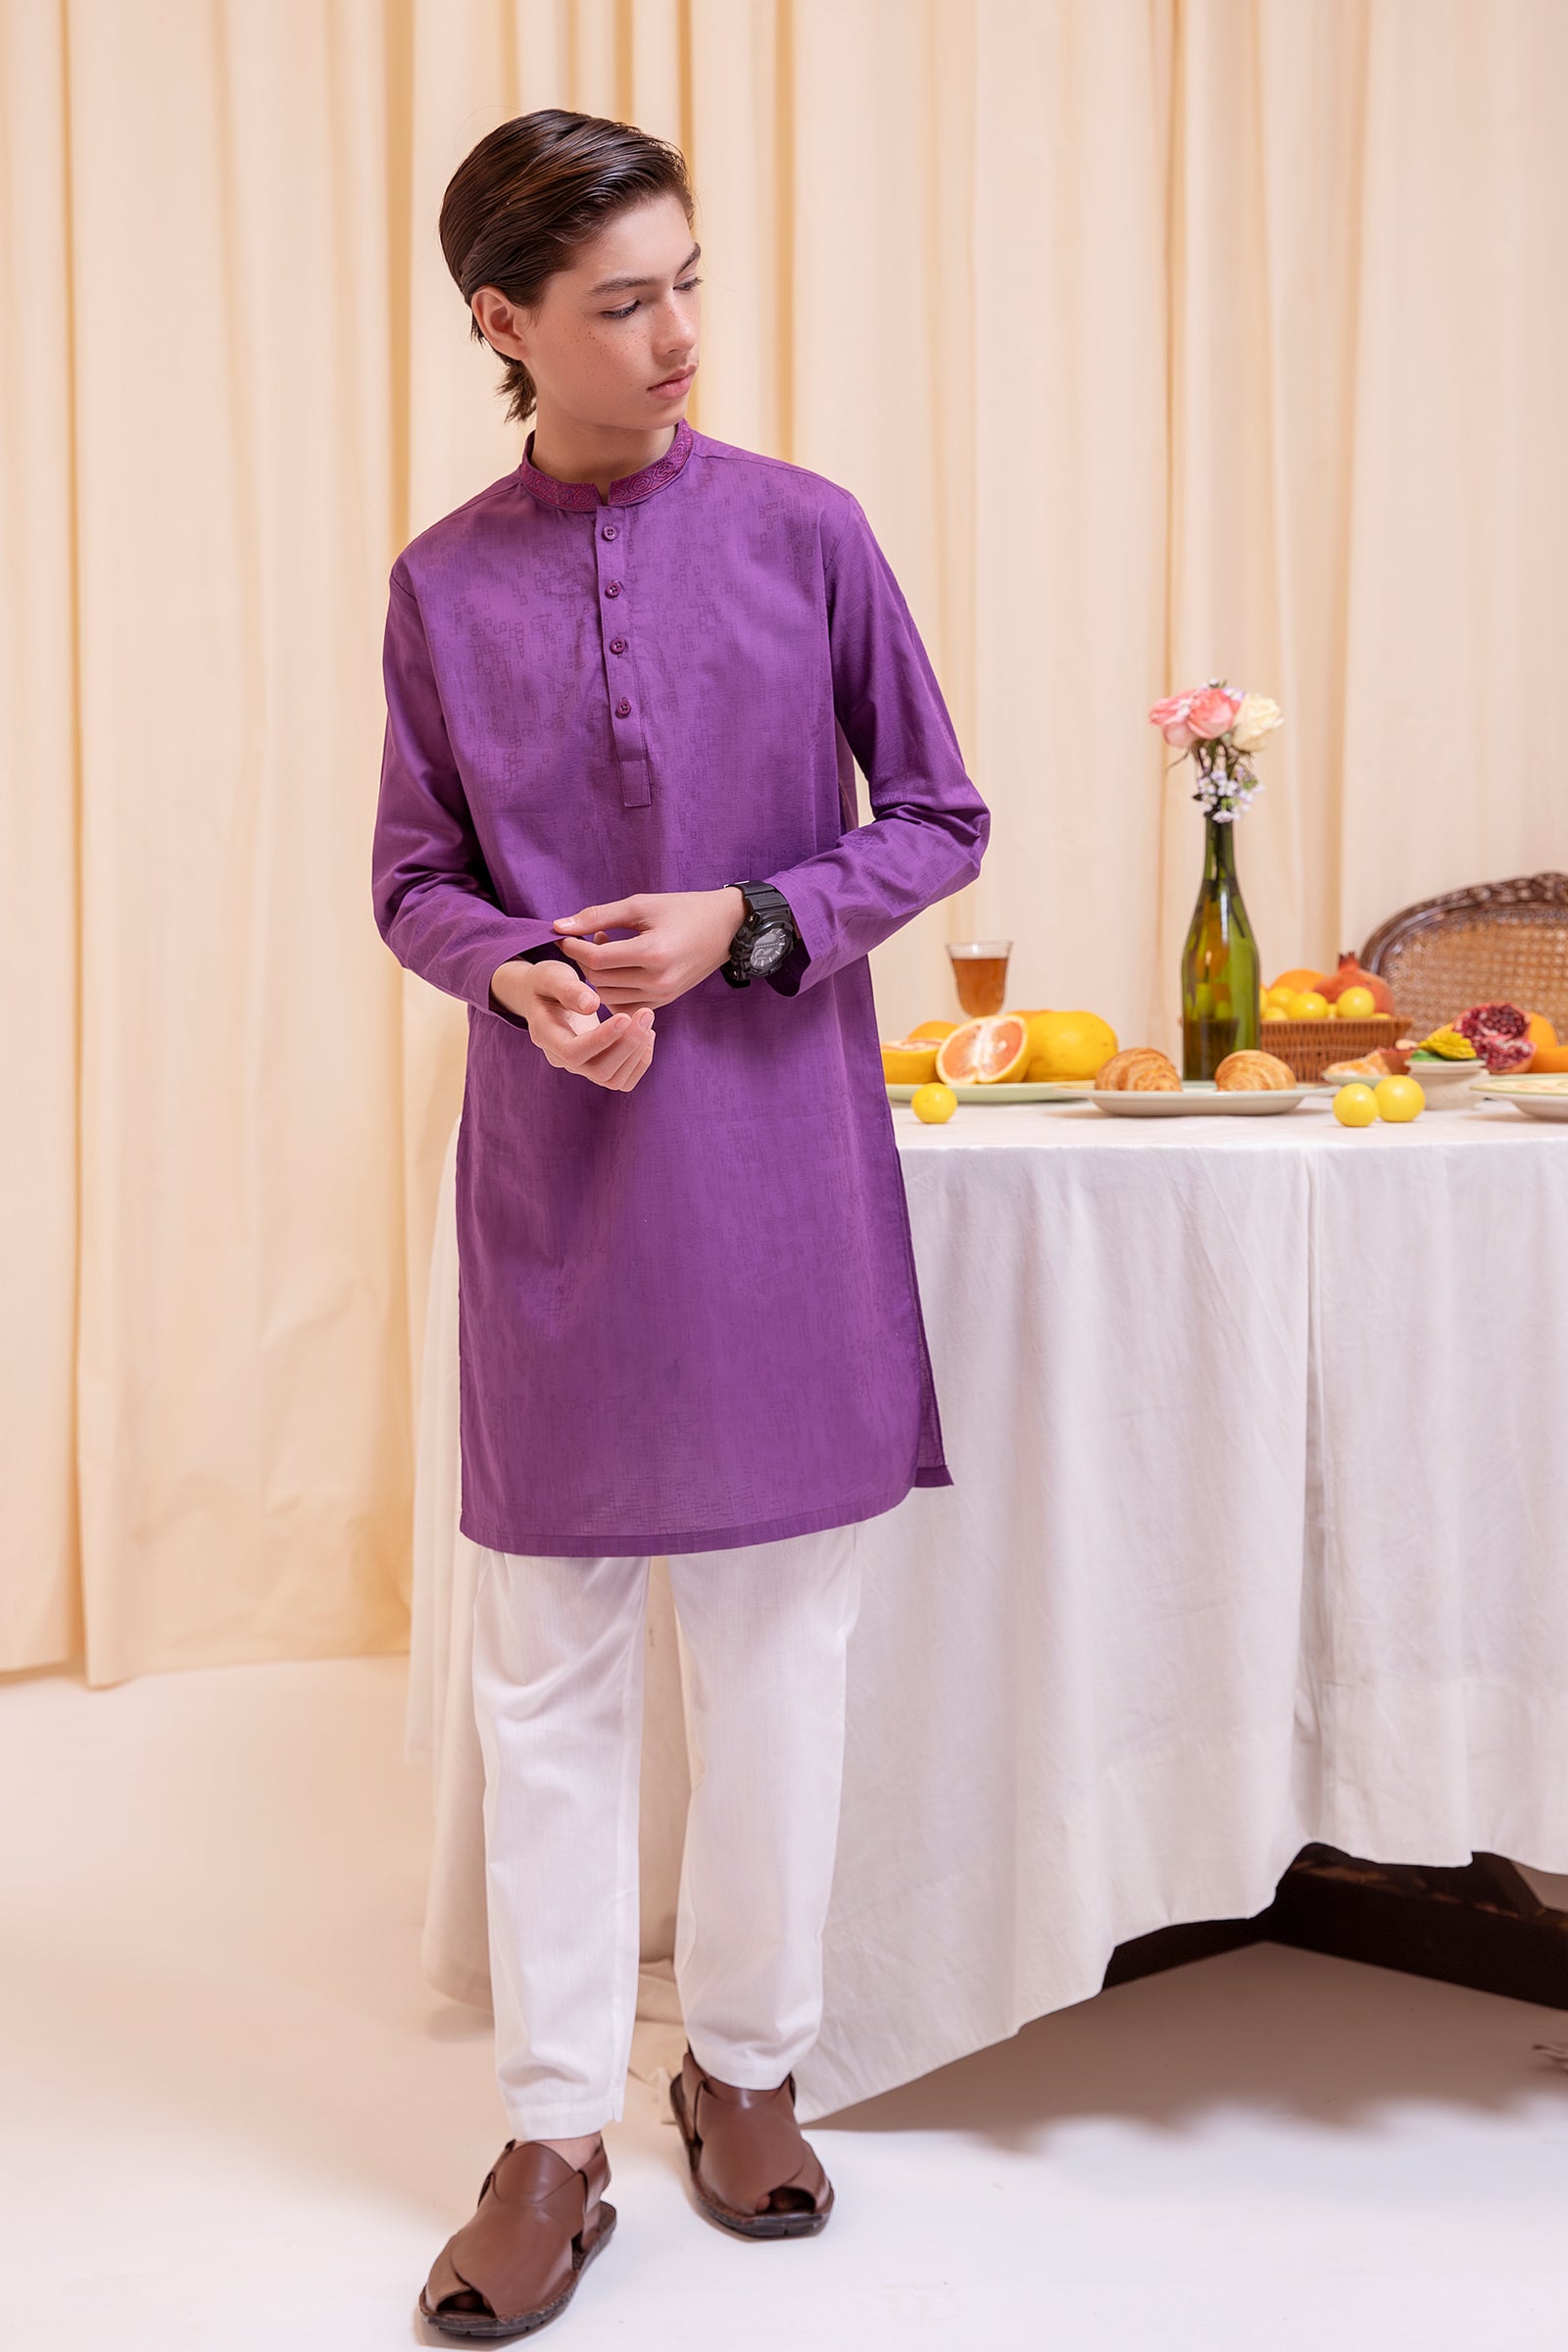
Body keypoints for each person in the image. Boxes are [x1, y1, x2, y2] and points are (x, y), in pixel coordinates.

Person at [370, 106, 990, 2337]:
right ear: (504, 323)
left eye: (687, 285)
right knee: (544, 1675)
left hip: (775, 1176)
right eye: (622, 302)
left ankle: (743, 2068)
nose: (676, 336)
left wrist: (747, 920)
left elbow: (938, 817)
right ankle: (552, 2133)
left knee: (776, 1665)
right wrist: (515, 976)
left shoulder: (808, 535)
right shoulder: (443, 583)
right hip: (558, 1188)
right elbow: (413, 878)